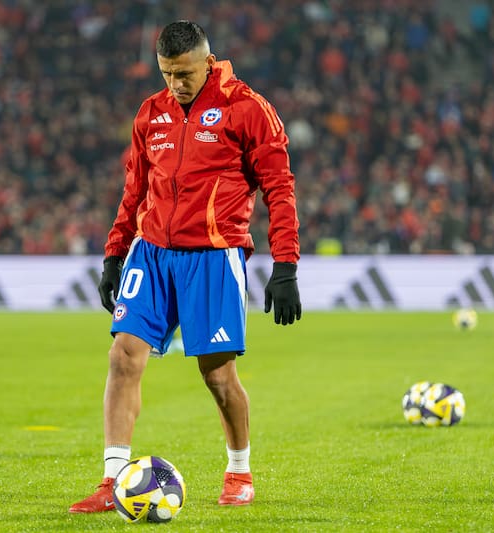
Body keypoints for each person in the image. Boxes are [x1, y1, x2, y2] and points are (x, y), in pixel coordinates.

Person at [68, 20, 302, 513]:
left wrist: (286, 266)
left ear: (209, 62)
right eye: (167, 74)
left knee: (217, 377)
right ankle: (112, 480)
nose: (176, 84)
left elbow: (279, 188)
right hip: (152, 252)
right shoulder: (151, 113)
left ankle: (239, 470)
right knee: (122, 356)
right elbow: (134, 189)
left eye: (185, 73)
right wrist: (115, 253)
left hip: (214, 255)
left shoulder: (248, 110)